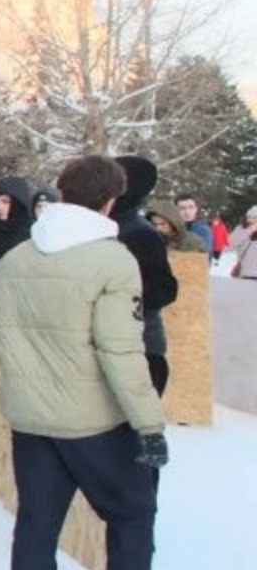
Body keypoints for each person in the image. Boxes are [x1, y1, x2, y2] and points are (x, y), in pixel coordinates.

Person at [0, 154, 184, 570]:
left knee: (34, 531)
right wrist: (149, 425)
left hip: (32, 421)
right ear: (111, 201)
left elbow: (2, 341)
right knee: (133, 515)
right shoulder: (111, 260)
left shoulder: (17, 260)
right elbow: (123, 352)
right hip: (95, 423)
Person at [109, 157, 177, 398]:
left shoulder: (139, 233)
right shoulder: (103, 225)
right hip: (112, 346)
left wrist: (117, 293)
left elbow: (164, 289)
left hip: (140, 347)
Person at [174, 195, 214, 261]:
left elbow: (201, 259)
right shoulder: (170, 229)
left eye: (191, 207)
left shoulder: (202, 230)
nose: (187, 212)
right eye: (182, 208)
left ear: (196, 209)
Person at [230, 207, 257, 279]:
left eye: (254, 218)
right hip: (245, 273)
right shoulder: (241, 229)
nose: (250, 220)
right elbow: (230, 244)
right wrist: (248, 231)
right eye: (249, 217)